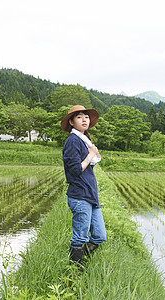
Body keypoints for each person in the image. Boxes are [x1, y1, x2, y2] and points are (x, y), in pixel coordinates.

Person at [61, 105, 107, 269]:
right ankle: (75, 273)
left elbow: (86, 169)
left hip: (90, 195)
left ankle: (79, 259)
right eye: (79, 117)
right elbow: (74, 170)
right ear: (72, 122)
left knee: (100, 236)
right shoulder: (73, 141)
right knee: (79, 237)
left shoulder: (84, 140)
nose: (84, 120)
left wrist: (92, 158)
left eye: (86, 117)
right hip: (80, 196)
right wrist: (90, 155)